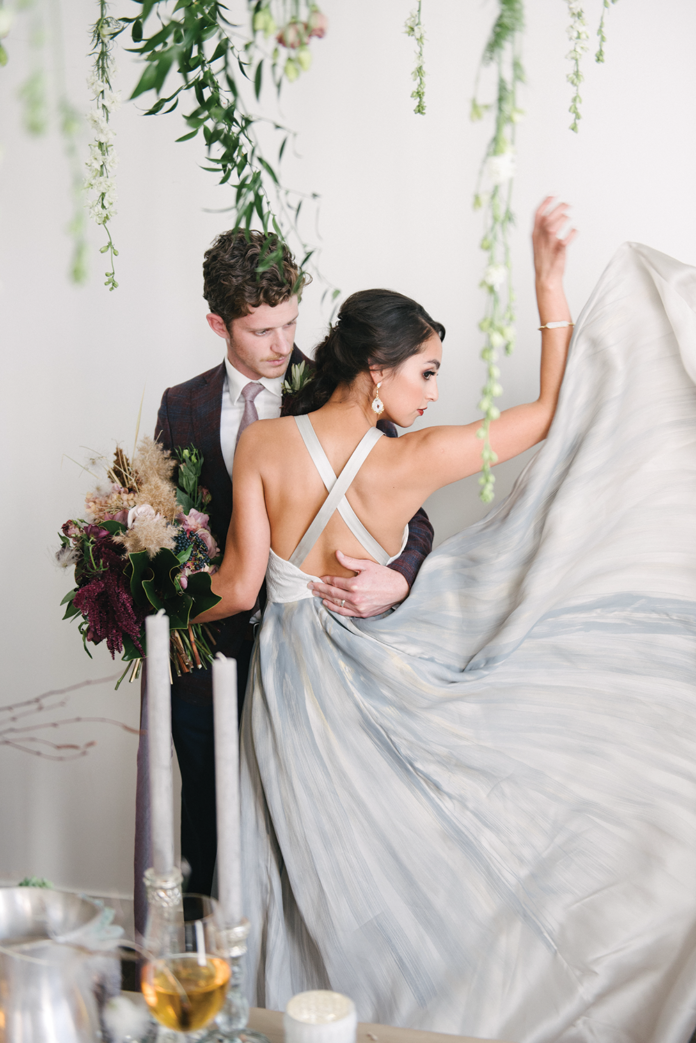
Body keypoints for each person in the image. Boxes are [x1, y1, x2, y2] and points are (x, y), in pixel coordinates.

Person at [197, 198, 696, 1043]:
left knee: (300, 873)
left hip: (282, 693)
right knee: (391, 869)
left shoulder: (263, 446)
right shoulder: (416, 460)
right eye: (426, 372)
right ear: (377, 370)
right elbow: (550, 412)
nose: (433, 393)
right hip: (367, 685)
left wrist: (159, 607)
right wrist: (548, 284)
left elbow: (239, 590)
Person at [134, 229, 435, 918]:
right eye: (261, 330)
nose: (281, 344)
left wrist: (401, 576)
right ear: (219, 324)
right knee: (206, 831)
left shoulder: (340, 387)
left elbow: (407, 508)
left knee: (308, 837)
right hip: (205, 661)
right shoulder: (181, 405)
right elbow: (161, 523)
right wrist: (146, 593)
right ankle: (207, 969)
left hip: (313, 660)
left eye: (291, 322)